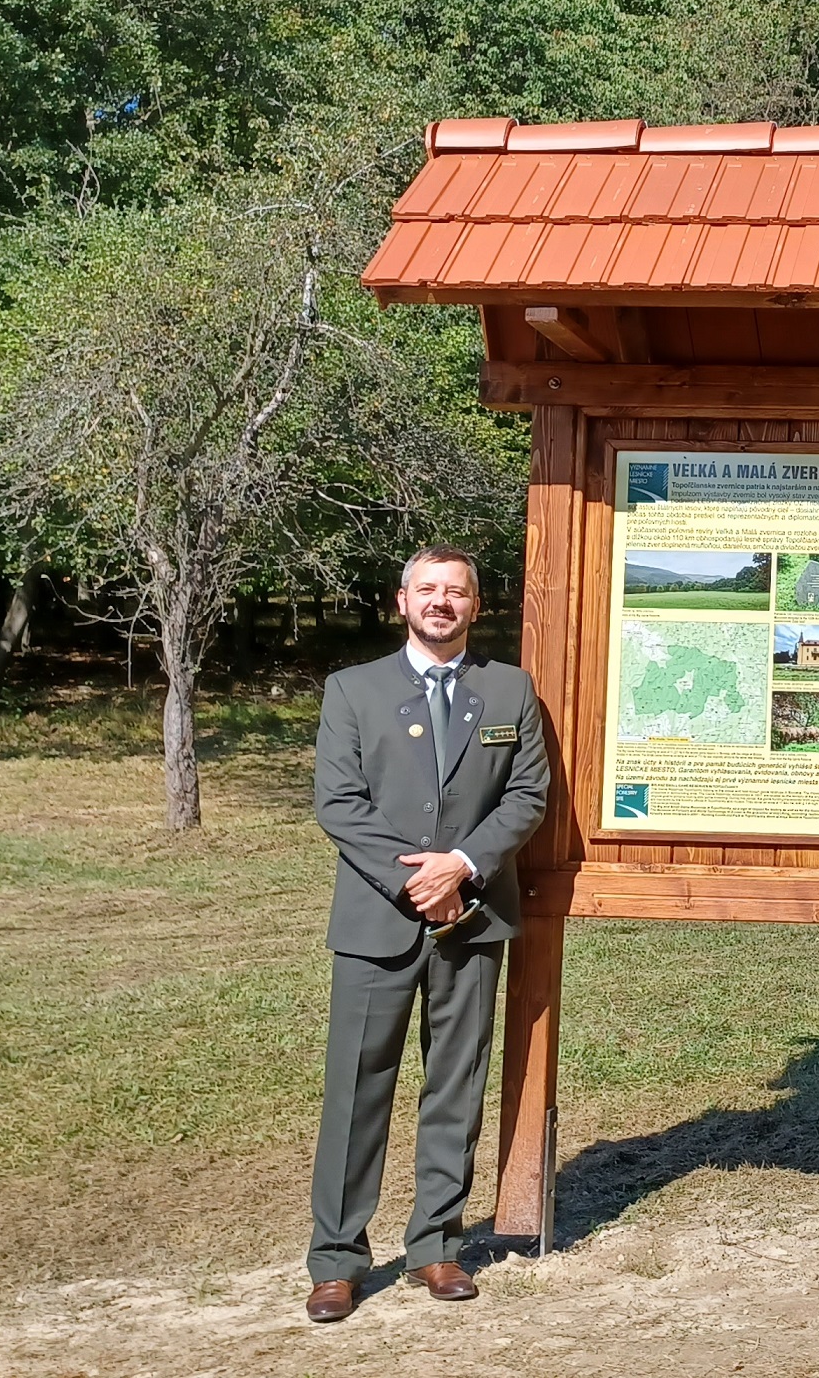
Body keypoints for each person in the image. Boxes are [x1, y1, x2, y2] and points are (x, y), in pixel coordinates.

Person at [304, 546, 551, 1324]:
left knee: (456, 1084)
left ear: (475, 606)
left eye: (456, 592)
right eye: (427, 590)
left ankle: (437, 1244)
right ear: (401, 601)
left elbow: (528, 792)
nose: (441, 603)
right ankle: (338, 1258)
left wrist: (463, 866)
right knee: (356, 1089)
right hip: (377, 924)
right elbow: (338, 801)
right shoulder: (353, 689)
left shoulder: (509, 688)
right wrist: (420, 882)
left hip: (473, 923)